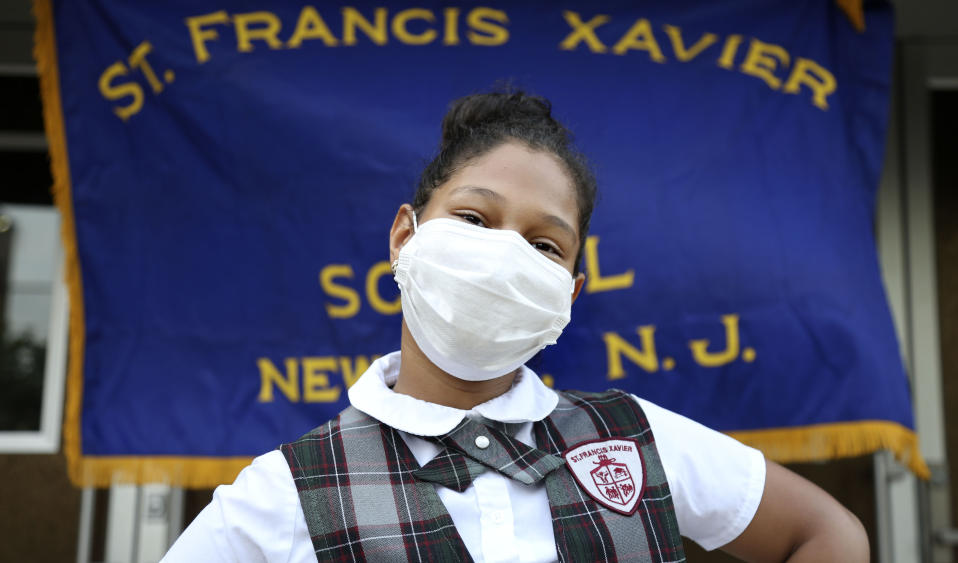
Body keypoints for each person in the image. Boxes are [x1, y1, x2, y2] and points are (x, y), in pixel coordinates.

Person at [163, 91, 869, 562]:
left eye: (545, 244)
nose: (504, 254)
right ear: (404, 235)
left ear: (571, 290)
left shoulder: (631, 438)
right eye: (473, 218)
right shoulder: (290, 489)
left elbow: (828, 532)